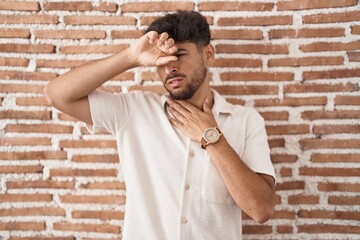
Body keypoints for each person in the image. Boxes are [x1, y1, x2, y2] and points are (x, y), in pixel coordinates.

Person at [44, 10, 276, 240]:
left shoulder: (246, 121)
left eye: (179, 55)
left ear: (208, 54)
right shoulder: (134, 111)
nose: (169, 67)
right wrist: (131, 56)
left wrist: (211, 137)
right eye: (161, 60)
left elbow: (261, 210)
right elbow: (57, 95)